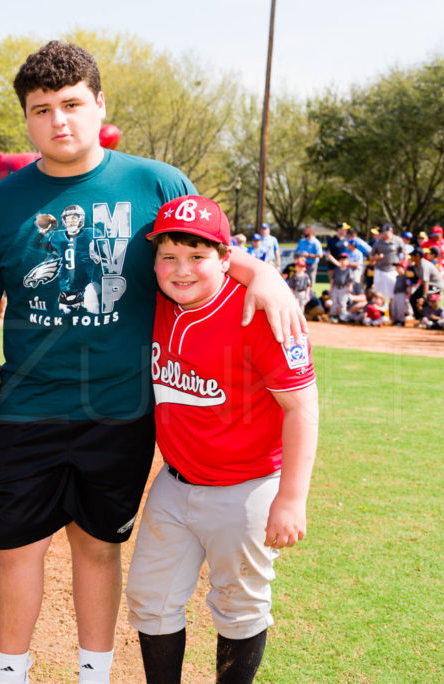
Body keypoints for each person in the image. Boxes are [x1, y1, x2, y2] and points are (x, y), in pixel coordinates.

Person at [0, 41, 305, 684]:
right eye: (41, 109)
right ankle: (8, 674)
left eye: (73, 104)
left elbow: (204, 251)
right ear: (26, 119)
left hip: (123, 408)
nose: (59, 121)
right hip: (29, 405)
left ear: (99, 105)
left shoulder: (154, 182)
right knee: (15, 549)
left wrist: (265, 273)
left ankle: (94, 673)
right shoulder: (0, 203)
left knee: (97, 546)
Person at [126, 195, 317, 684]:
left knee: (240, 604)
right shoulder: (159, 302)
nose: (181, 269)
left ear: (225, 259)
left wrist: (291, 499)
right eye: (168, 256)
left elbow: (301, 407)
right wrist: (264, 269)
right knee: (152, 598)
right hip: (175, 482)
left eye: (197, 256)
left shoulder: (260, 312)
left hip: (246, 487)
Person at [370, 223, 405, 299]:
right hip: (380, 269)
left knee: (392, 293)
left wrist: (404, 265)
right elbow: (371, 257)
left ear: (391, 231)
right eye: (383, 233)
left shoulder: (398, 240)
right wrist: (376, 257)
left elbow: (404, 253)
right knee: (378, 294)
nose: (384, 235)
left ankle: (391, 309)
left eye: (386, 233)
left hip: (393, 269)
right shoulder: (378, 242)